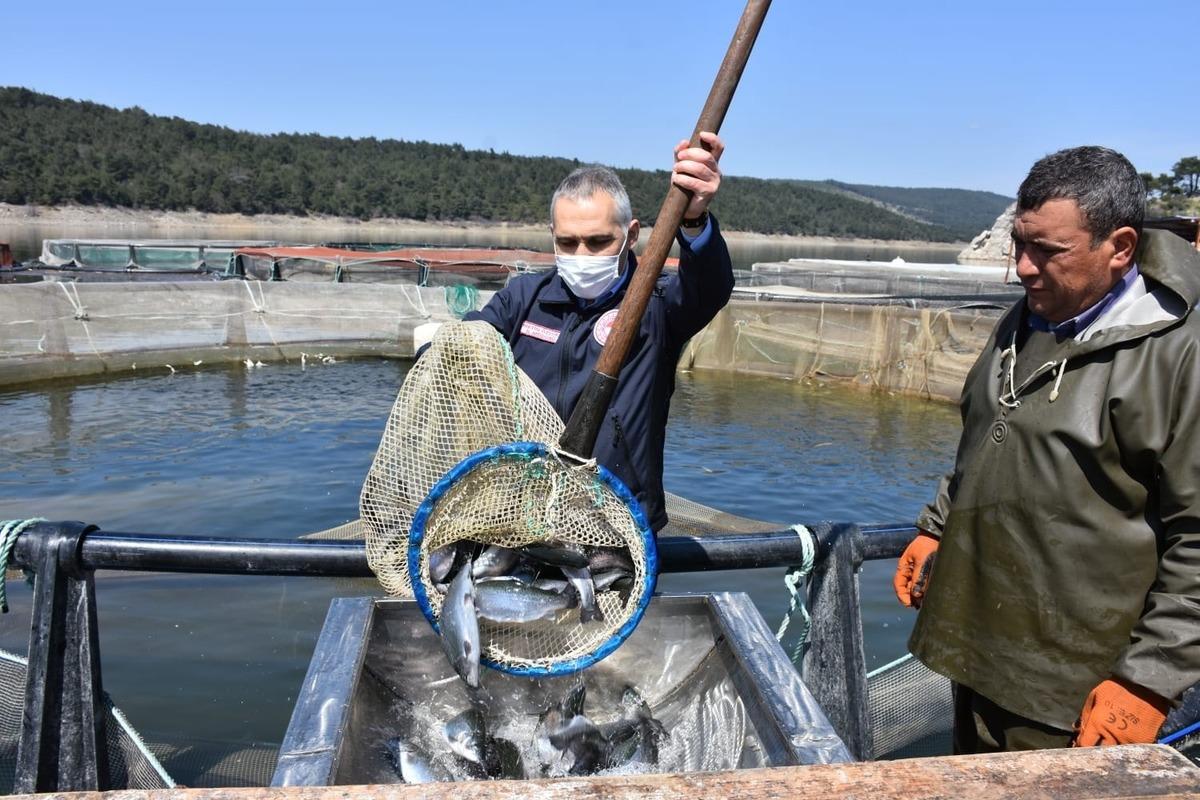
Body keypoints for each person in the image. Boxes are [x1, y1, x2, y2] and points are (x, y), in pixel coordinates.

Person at [893, 145, 1200, 752]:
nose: (1025, 268)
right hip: (976, 649)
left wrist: (1150, 680)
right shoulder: (1032, 314)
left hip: (1078, 690)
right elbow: (981, 435)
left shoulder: (1182, 353)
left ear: (1120, 247)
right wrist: (937, 525)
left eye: (1049, 251)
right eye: (1019, 244)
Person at [464, 133, 733, 532]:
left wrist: (693, 220)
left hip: (619, 522)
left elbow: (709, 288)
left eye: (598, 241)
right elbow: (466, 345)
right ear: (552, 235)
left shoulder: (657, 305)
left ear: (632, 234)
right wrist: (437, 349)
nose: (582, 256)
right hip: (521, 516)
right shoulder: (523, 299)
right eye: (567, 242)